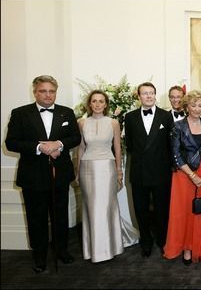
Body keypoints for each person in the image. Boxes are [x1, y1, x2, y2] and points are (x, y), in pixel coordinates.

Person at [5, 75, 81, 273]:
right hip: (33, 176)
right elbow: (11, 142)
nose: (48, 95)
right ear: (35, 92)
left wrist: (59, 144)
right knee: (36, 218)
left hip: (60, 174)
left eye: (51, 91)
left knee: (60, 216)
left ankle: (61, 251)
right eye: (43, 91)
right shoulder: (20, 113)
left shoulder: (67, 112)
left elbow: (75, 137)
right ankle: (39, 257)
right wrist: (40, 147)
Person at [76, 90, 139, 263]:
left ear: (105, 104)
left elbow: (117, 148)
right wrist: (77, 170)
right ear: (90, 104)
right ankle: (93, 248)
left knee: (106, 206)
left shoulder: (113, 123)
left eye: (101, 101)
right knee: (91, 207)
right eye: (94, 101)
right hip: (87, 168)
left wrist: (119, 170)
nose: (97, 104)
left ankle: (110, 246)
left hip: (107, 167)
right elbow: (81, 147)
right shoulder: (81, 123)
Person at [163, 90, 201, 265]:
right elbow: (175, 154)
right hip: (184, 175)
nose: (197, 108)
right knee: (185, 211)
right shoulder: (177, 126)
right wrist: (192, 175)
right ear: (187, 106)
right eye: (193, 105)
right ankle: (187, 247)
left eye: (200, 105)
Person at [124, 82, 174, 258]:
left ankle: (162, 240)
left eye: (151, 93)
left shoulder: (166, 116)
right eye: (145, 93)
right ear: (139, 96)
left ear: (155, 94)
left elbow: (170, 145)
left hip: (161, 171)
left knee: (162, 209)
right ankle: (145, 241)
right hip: (139, 171)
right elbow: (129, 145)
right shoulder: (129, 117)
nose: (149, 96)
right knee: (141, 209)